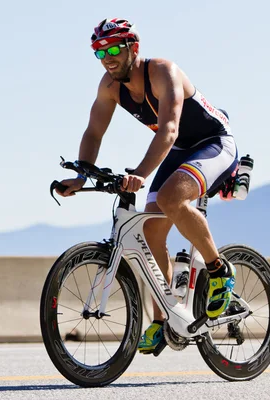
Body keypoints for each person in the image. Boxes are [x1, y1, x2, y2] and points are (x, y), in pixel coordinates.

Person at [56, 18, 238, 354]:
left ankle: (219, 271)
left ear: (132, 48)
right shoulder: (110, 86)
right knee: (150, 231)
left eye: (113, 48)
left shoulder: (162, 72)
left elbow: (169, 129)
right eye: (99, 51)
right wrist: (82, 176)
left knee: (170, 199)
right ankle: (164, 317)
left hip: (213, 143)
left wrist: (140, 173)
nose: (107, 57)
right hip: (180, 152)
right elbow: (94, 133)